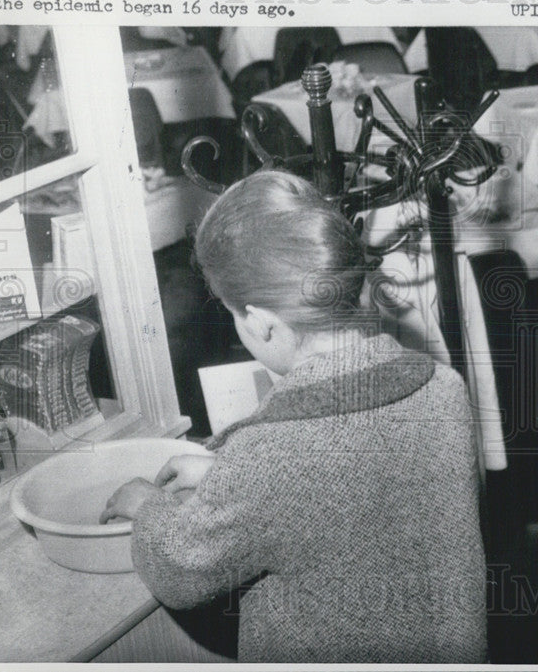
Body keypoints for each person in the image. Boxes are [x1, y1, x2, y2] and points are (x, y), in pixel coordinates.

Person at [101, 169, 487, 663]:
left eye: (233, 314)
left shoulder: (269, 457)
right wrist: (229, 474)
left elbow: (180, 570)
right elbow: (363, 492)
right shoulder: (443, 387)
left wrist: (148, 505)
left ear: (261, 324)